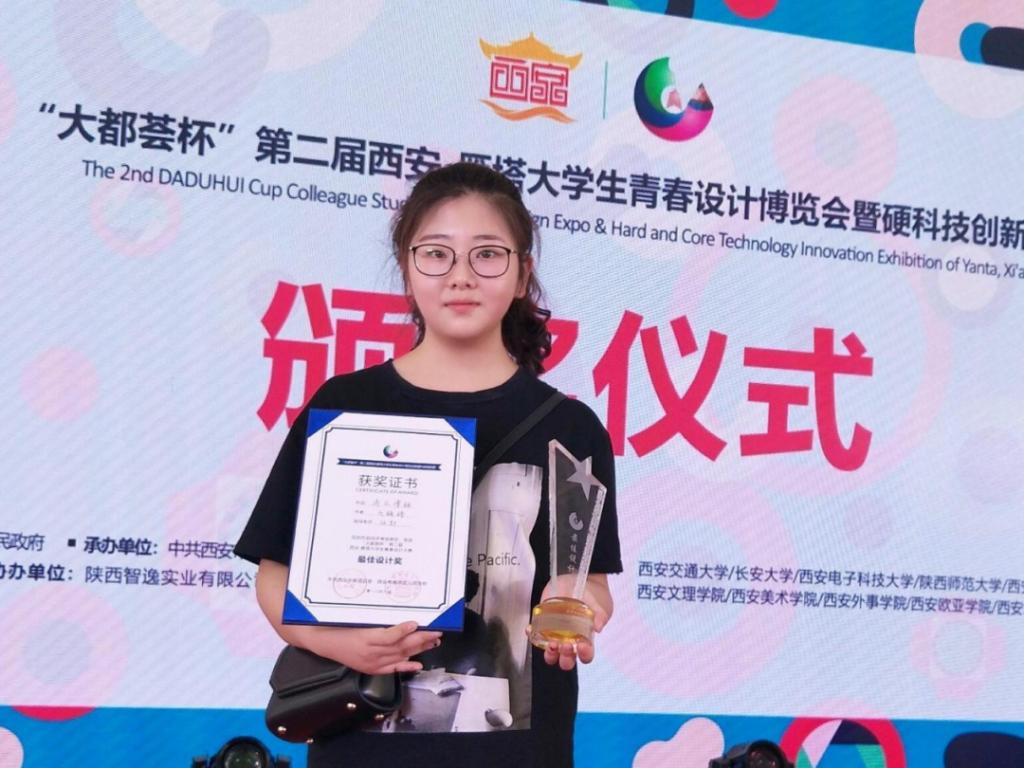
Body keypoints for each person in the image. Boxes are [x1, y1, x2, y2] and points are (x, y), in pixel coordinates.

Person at [234, 162, 622, 767]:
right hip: (362, 746)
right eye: (437, 254)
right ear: (407, 267)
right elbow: (273, 573)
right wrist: (338, 643)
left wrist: (578, 604)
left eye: (487, 255)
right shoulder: (347, 405)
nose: (461, 277)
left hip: (519, 752)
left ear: (522, 273)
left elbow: (591, 582)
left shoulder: (571, 428)